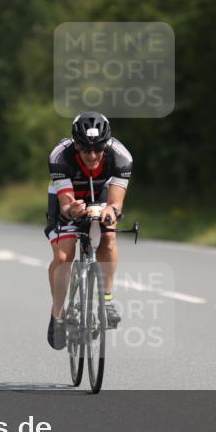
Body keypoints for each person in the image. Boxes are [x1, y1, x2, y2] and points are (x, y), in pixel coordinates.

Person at [45, 111, 132, 350]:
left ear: (106, 144)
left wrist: (110, 212)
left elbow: (116, 203)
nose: (92, 155)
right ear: (75, 145)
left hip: (101, 194)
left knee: (109, 238)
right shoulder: (60, 156)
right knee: (64, 256)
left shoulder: (121, 157)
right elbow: (65, 203)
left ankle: (106, 300)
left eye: (98, 149)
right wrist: (72, 209)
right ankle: (58, 314)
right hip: (70, 197)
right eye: (85, 149)